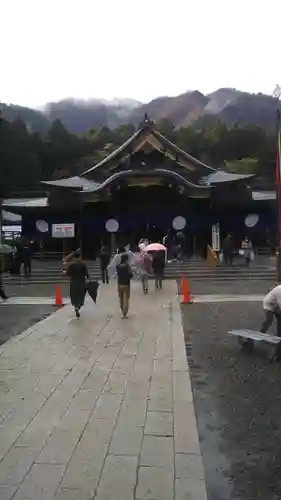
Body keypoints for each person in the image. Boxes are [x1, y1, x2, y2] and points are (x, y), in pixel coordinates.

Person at [260, 285, 281, 360]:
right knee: (269, 321)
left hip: (276, 305)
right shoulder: (280, 290)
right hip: (268, 304)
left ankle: (279, 335)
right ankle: (261, 333)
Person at [67, 251, 89, 318]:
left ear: (73, 257)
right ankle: (79, 306)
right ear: (80, 256)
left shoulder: (71, 265)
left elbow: (68, 274)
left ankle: (75, 306)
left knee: (74, 295)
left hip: (74, 282)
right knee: (81, 295)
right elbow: (86, 274)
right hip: (82, 282)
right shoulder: (83, 264)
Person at [116, 253, 133, 318]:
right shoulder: (127, 266)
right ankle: (125, 313)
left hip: (119, 284)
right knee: (126, 299)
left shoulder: (118, 266)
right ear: (126, 259)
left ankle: (122, 311)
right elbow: (131, 275)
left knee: (121, 298)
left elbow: (118, 274)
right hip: (126, 284)